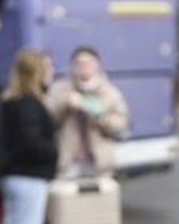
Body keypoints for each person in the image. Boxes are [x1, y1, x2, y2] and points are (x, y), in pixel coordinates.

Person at [0, 49, 58, 224]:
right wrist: (53, 150)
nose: (52, 71)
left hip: (13, 175)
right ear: (37, 72)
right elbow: (32, 143)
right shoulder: (30, 105)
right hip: (30, 176)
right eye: (48, 67)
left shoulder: (10, 101)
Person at [48, 46, 129, 178]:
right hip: (67, 164)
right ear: (73, 66)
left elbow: (121, 124)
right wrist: (65, 105)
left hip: (99, 164)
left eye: (88, 63)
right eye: (79, 63)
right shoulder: (60, 89)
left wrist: (99, 115)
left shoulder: (109, 92)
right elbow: (47, 121)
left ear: (97, 65)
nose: (84, 67)